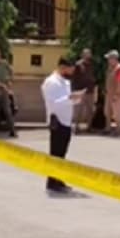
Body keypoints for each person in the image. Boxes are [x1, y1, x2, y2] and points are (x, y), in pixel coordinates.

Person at [41, 58, 86, 194]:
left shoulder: (66, 82)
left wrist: (76, 98)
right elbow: (53, 103)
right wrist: (70, 98)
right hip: (57, 121)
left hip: (66, 120)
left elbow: (68, 100)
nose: (72, 71)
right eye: (70, 68)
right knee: (55, 152)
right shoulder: (51, 82)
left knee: (62, 153)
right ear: (62, 67)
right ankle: (52, 181)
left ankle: (58, 179)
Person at [71, 48, 98, 134]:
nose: (88, 55)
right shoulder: (78, 65)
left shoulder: (91, 64)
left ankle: (89, 127)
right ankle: (76, 127)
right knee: (78, 110)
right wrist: (74, 90)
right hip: (80, 90)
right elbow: (73, 78)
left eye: (89, 54)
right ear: (82, 55)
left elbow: (93, 76)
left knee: (90, 110)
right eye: (86, 54)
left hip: (90, 90)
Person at [103, 50, 120, 135]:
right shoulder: (110, 68)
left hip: (117, 94)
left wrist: (117, 94)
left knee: (117, 113)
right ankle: (107, 128)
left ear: (114, 59)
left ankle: (118, 129)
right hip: (109, 93)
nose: (108, 60)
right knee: (107, 111)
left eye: (109, 58)